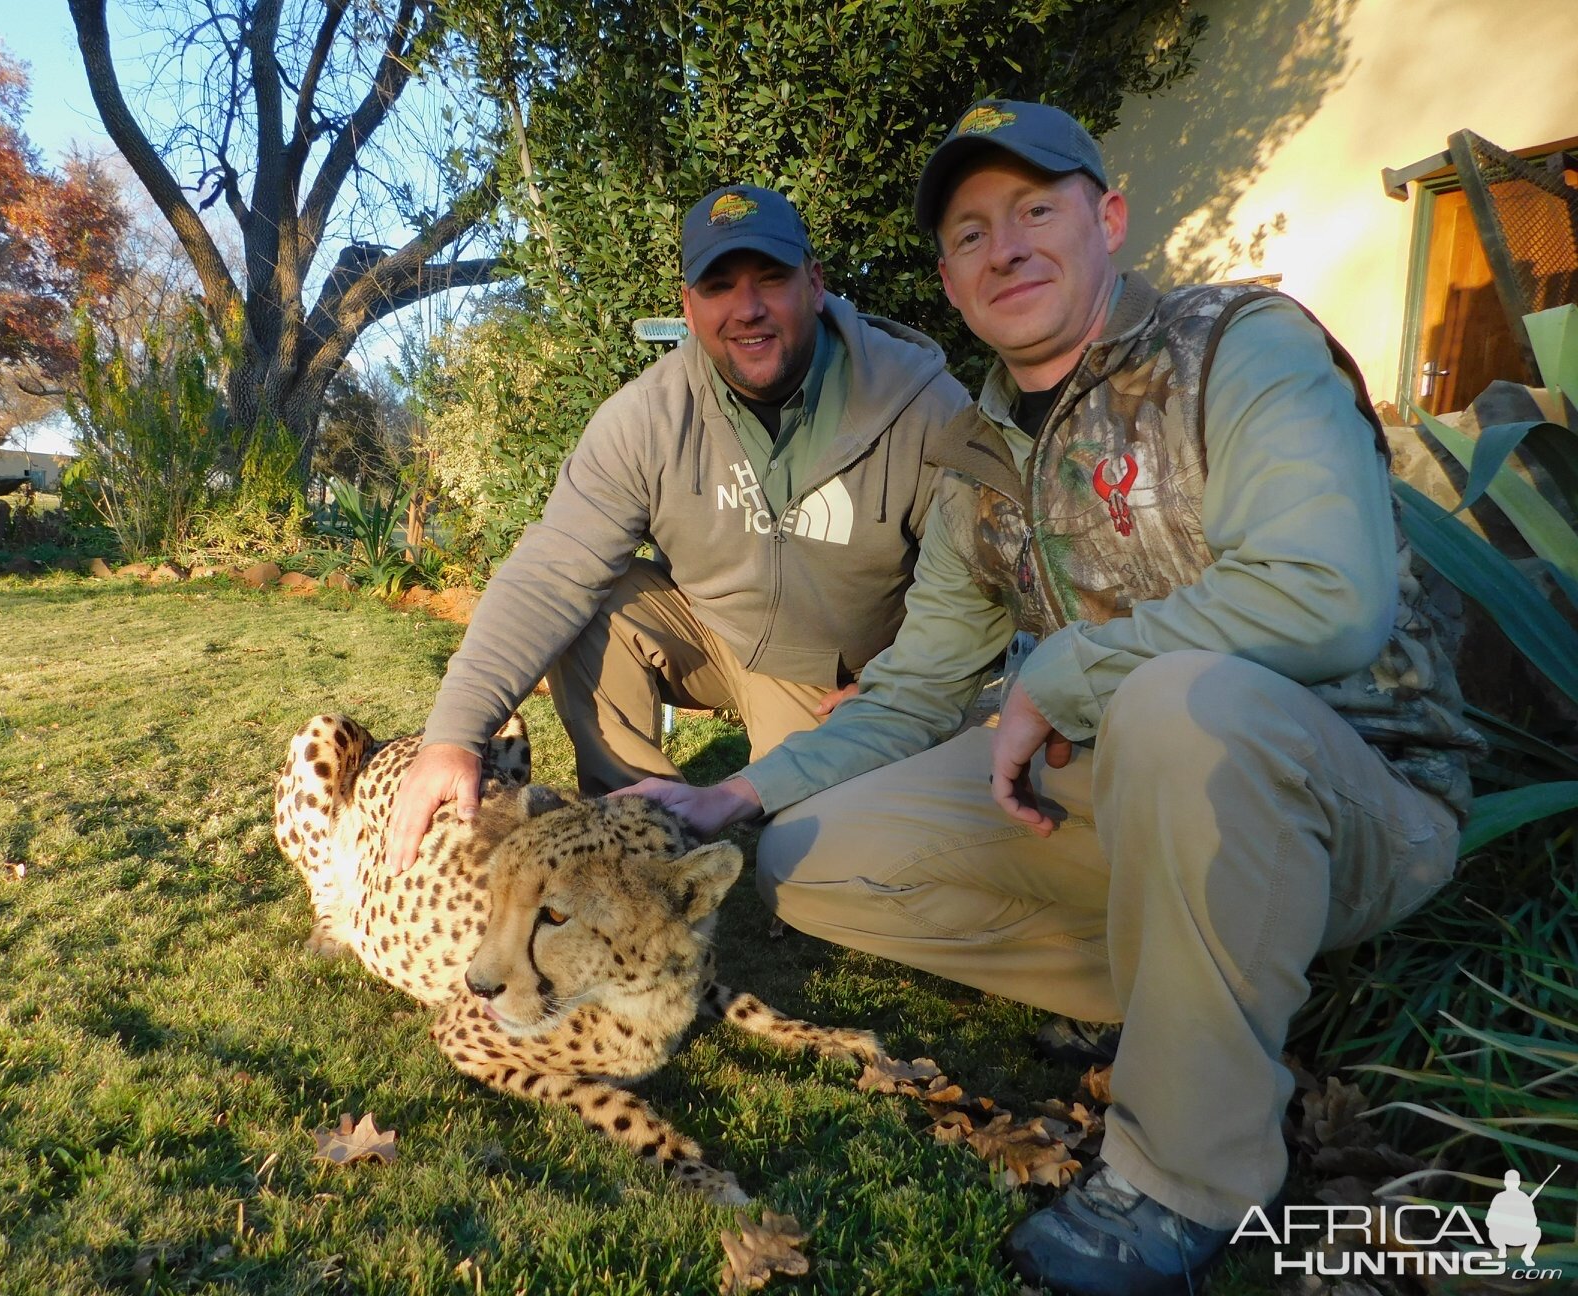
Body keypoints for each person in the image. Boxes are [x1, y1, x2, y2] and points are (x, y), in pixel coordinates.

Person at [620, 101, 1484, 1296]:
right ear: (948, 275)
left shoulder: (1240, 344)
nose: (1006, 248)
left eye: (1036, 210)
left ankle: (1188, 1177)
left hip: (1363, 793)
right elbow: (920, 683)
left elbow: (1331, 593)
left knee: (1185, 702)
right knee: (812, 861)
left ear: (1108, 219)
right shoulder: (981, 454)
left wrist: (1071, 671)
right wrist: (737, 796)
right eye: (971, 232)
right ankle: (1212, 986)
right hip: (1133, 793)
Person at [384, 183, 971, 873]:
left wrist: (893, 684)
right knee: (595, 596)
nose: (747, 308)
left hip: (843, 680)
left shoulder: (923, 407)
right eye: (719, 285)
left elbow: (975, 594)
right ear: (689, 307)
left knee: (810, 864)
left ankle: (793, 817)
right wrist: (452, 737)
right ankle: (630, 846)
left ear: (814, 283)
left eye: (771, 279)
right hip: (717, 637)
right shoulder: (647, 417)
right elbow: (551, 571)